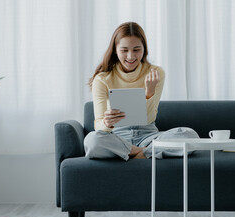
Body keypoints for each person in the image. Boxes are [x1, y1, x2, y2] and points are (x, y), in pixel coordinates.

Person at [84, 22, 199, 160]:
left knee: (190, 135)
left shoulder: (156, 73)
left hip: (148, 136)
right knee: (91, 140)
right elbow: (99, 126)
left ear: (144, 49)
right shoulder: (102, 79)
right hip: (117, 138)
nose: (131, 56)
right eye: (124, 50)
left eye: (136, 49)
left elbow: (150, 117)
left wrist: (149, 94)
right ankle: (144, 152)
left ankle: (139, 154)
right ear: (115, 49)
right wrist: (107, 123)